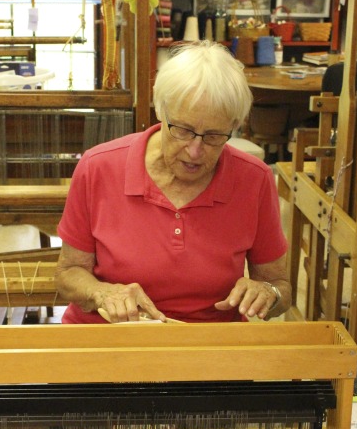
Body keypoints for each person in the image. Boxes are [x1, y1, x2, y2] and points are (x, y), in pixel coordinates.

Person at [55, 41, 291, 324]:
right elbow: (68, 274)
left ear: (234, 127)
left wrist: (267, 292)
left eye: (214, 136)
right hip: (108, 338)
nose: (194, 150)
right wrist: (102, 293)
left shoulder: (254, 179)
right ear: (161, 112)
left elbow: (280, 287)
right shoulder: (99, 167)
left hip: (204, 346)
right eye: (182, 130)